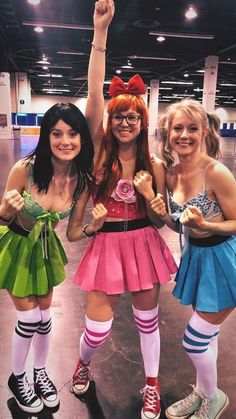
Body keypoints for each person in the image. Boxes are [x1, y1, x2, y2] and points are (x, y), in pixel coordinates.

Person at [66, 1, 177, 419]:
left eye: (133, 116)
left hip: (144, 243)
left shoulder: (157, 165)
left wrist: (153, 200)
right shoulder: (95, 155)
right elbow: (95, 92)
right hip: (107, 245)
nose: (125, 122)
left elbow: (162, 221)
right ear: (110, 122)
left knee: (149, 322)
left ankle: (152, 386)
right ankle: (82, 362)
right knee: (97, 328)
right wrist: (100, 32)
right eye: (119, 117)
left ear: (143, 121)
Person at [145, 99, 236, 419]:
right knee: (208, 336)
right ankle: (203, 392)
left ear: (205, 131)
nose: (184, 134)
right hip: (196, 259)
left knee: (195, 341)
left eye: (192, 128)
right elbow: (178, 224)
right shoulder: (171, 175)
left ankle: (214, 397)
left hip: (225, 260)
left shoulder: (216, 172)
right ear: (167, 134)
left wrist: (206, 224)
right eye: (178, 128)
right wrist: (161, 212)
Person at [0, 102, 94, 414]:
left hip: (44, 248)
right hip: (15, 245)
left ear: (81, 139)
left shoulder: (81, 180)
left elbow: (73, 233)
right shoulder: (25, 169)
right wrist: (5, 210)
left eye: (72, 133)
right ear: (46, 136)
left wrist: (96, 227)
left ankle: (40, 373)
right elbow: (3, 218)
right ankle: (17, 377)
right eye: (56, 133)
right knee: (28, 319)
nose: (65, 141)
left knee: (44, 319)